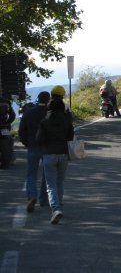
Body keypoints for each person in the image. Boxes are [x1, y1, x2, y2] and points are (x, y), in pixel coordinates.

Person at [36, 94, 75, 224]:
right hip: (63, 154)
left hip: (49, 154)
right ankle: (59, 206)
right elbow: (70, 136)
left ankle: (56, 209)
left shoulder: (44, 122)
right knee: (60, 182)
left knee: (50, 185)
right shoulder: (66, 121)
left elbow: (39, 139)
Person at [18, 91, 50, 212]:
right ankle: (43, 199)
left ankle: (31, 196)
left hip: (32, 145)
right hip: (47, 147)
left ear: (38, 99)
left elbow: (22, 130)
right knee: (46, 174)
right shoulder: (49, 113)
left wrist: (26, 143)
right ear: (48, 100)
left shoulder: (29, 112)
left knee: (31, 173)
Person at [0, 95, 16, 169]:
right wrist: (8, 122)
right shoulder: (6, 101)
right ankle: (5, 164)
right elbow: (12, 115)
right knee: (5, 146)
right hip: (4, 127)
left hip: (4, 126)